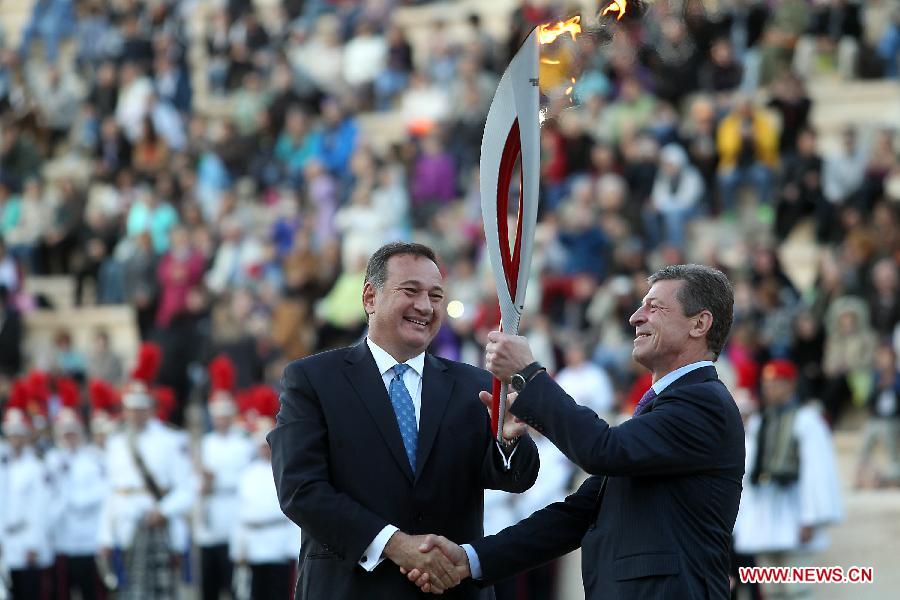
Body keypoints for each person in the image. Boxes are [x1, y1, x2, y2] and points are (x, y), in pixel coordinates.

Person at [407, 264, 745, 599]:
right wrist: (471, 559)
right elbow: (575, 516)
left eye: (654, 307)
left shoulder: (703, 403)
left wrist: (529, 374)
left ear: (700, 323)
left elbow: (601, 449)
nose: (635, 317)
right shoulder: (666, 410)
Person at [267, 241, 540, 599]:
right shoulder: (313, 380)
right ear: (370, 298)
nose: (425, 307)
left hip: (451, 590)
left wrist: (507, 442)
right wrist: (394, 544)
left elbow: (515, 479)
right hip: (349, 589)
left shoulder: (476, 385)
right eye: (411, 291)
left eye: (436, 295)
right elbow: (301, 490)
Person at [733, 360, 842, 599]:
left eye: (776, 384)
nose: (770, 389)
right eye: (767, 384)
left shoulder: (807, 420)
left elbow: (816, 471)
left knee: (797, 588)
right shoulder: (761, 422)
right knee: (772, 590)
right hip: (765, 513)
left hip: (794, 512)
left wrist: (810, 517)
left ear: (790, 385)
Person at [97, 381, 194, 599]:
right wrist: (105, 537)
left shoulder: (170, 440)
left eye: (141, 409)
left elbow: (187, 489)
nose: (136, 415)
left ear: (150, 409)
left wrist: (163, 511)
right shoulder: (115, 442)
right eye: (131, 409)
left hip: (159, 528)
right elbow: (110, 493)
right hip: (125, 529)